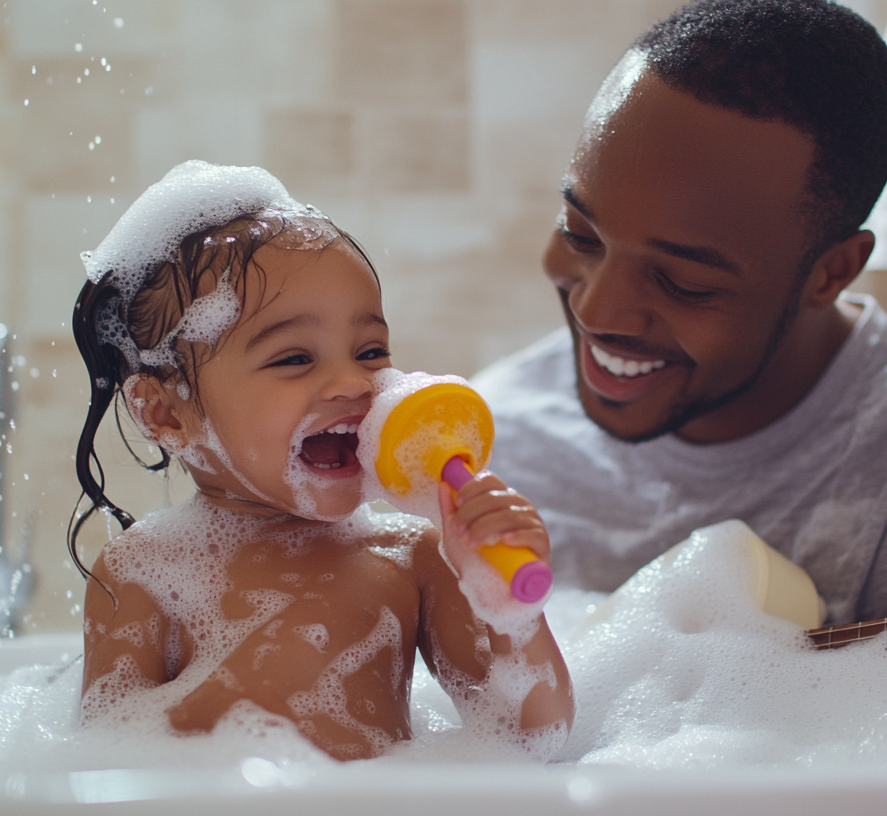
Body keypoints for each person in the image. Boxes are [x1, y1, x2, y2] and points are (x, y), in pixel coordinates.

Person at [472, 0, 887, 713]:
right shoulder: (495, 442)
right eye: (580, 233)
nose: (596, 311)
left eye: (684, 280)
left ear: (831, 273)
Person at [70, 162, 573, 761]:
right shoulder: (140, 570)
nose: (353, 382)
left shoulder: (413, 557)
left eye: (370, 350)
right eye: (293, 359)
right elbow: (104, 757)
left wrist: (512, 612)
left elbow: (532, 737)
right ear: (165, 415)